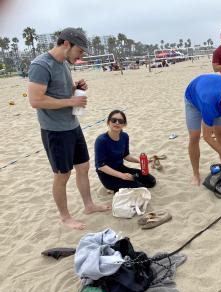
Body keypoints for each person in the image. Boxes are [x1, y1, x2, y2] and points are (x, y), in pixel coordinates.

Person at [28, 27, 110, 230]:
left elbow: (57, 91)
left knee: (83, 167)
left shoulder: (64, 63)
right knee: (62, 174)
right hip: (54, 130)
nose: (81, 56)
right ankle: (65, 217)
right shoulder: (40, 65)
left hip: (72, 125)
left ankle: (89, 205)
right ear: (66, 44)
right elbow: (36, 100)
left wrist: (75, 88)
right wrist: (70, 100)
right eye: (80, 51)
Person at [95, 110, 156, 193]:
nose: (117, 123)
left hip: (120, 168)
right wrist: (122, 176)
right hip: (107, 175)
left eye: (120, 121)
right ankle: (113, 189)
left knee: (151, 181)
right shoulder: (101, 140)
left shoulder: (124, 136)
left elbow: (126, 155)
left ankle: (120, 188)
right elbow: (101, 166)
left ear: (124, 124)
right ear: (108, 122)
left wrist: (141, 162)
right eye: (114, 120)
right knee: (140, 188)